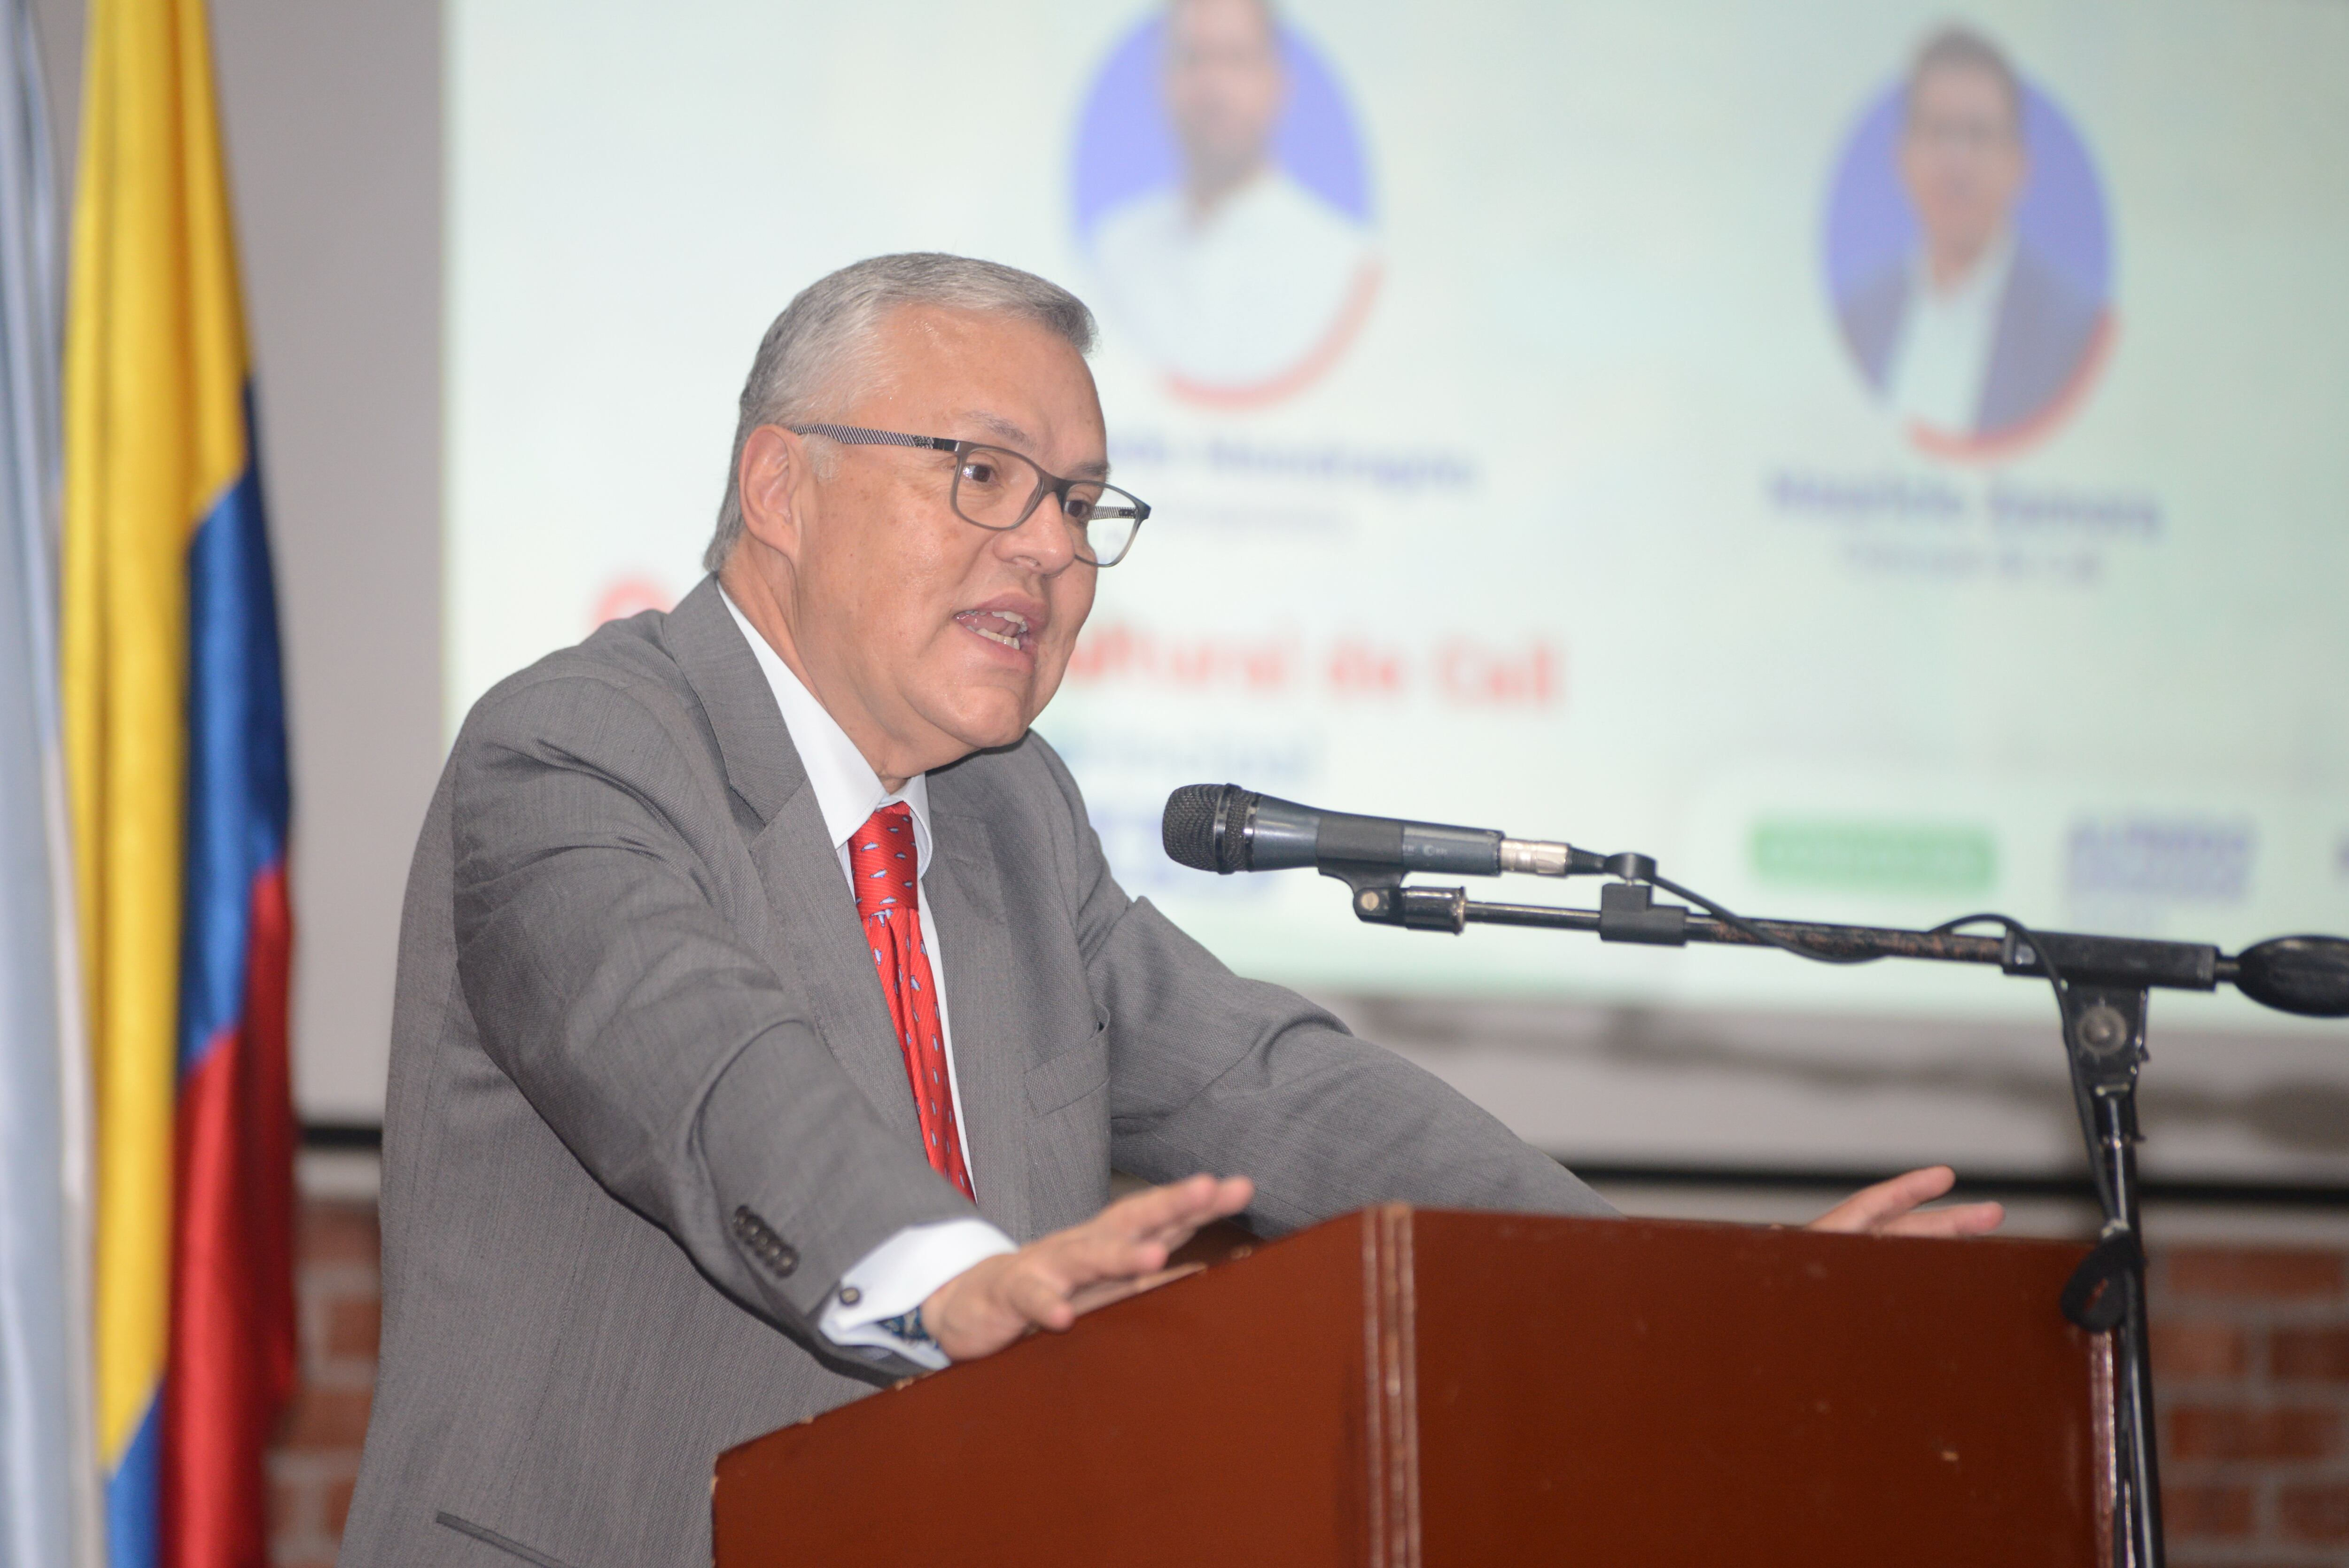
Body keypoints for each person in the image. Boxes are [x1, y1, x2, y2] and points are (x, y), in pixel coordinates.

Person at [340, 253, 2000, 1566]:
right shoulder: (580, 743)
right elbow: (702, 1063)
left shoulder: (1004, 812)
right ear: (780, 487)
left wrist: (1652, 1294)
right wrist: (949, 1273)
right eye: (983, 475)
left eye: (1078, 500)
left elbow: (1280, 1083)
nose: (1050, 548)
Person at [1836, 27, 2105, 442]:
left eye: (1977, 135)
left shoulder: (2072, 332)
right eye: (1938, 132)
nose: (1955, 162)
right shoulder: (1858, 317)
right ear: (1903, 159)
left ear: (2019, 165)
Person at [1089, 0, 1374, 390]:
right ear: (1162, 82)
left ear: (1278, 83)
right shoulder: (1116, 254)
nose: (1214, 85)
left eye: (1236, 59)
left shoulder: (1344, 263)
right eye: (1194, 59)